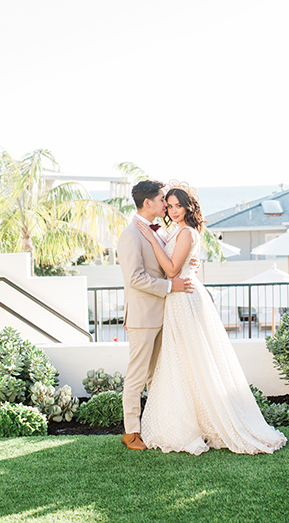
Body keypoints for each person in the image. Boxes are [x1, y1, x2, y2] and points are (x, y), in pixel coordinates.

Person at [136, 184, 287, 455]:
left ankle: (212, 421)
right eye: (169, 206)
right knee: (183, 361)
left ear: (188, 207)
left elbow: (171, 270)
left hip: (184, 298)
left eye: (177, 206)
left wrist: (150, 240)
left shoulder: (187, 232)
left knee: (196, 358)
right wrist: (158, 240)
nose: (172, 210)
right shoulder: (176, 231)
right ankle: (190, 419)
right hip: (178, 297)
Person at [115, 180, 194, 451]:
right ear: (147, 203)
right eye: (162, 200)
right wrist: (172, 285)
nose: (165, 204)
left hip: (166, 315)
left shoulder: (158, 231)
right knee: (137, 376)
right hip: (142, 317)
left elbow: (168, 261)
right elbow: (135, 278)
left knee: (157, 376)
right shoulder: (130, 235)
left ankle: (155, 427)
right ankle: (131, 432)